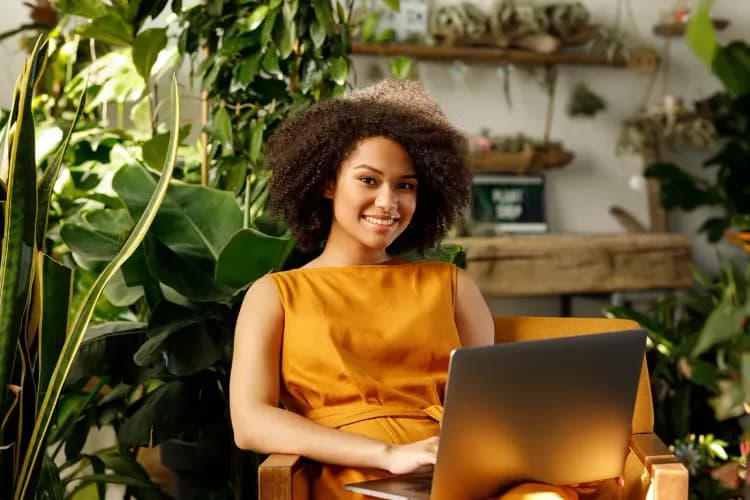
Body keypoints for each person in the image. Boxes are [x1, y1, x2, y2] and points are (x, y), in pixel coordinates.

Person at [229, 80, 608, 499]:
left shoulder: (451, 285)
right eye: (369, 181)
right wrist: (389, 455)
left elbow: (490, 409)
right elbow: (249, 423)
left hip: (459, 472)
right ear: (327, 183)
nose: (389, 202)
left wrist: (546, 458)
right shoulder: (276, 295)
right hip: (358, 478)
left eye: (405, 185)